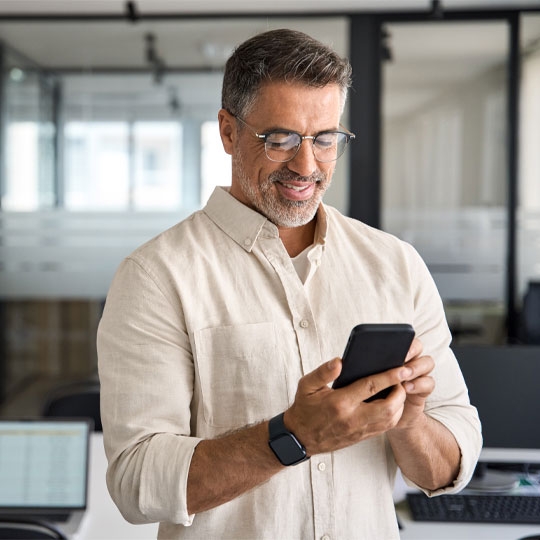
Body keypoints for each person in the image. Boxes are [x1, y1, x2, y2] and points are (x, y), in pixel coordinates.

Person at [97, 28, 482, 539]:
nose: (307, 166)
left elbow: (450, 464)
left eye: (325, 139)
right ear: (228, 132)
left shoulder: (395, 264)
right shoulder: (156, 275)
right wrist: (292, 436)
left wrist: (407, 422)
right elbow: (136, 482)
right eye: (280, 139)